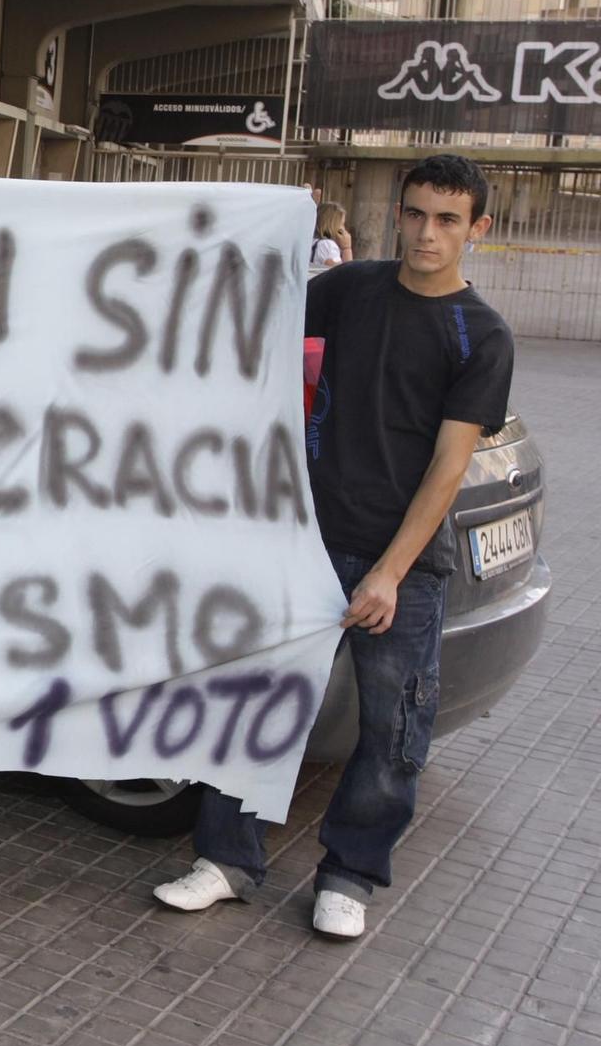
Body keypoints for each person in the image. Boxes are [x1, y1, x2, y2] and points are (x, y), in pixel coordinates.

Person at [154, 153, 513, 940]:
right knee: (254, 707)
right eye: (415, 213)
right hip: (302, 541)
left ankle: (349, 874)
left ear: (476, 229)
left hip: (403, 567)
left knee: (393, 735)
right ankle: (227, 860)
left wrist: (388, 572)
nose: (426, 232)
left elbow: (450, 468)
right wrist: (267, 222)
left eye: (447, 220)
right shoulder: (352, 290)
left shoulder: (479, 335)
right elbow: (252, 312)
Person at [312, 200, 353, 268]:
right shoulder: (328, 245)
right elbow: (345, 273)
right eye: (342, 224)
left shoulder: (313, 241)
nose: (344, 229)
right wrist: (347, 249)